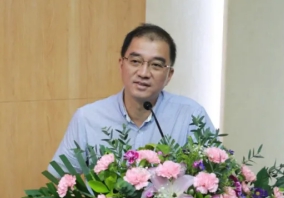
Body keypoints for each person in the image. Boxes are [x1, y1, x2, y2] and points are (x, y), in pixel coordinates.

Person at [50, 23, 215, 173]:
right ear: (121, 64)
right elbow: (60, 179)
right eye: (135, 61)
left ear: (169, 75)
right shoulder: (87, 118)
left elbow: (218, 174)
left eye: (156, 65)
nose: (143, 73)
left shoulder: (191, 116)